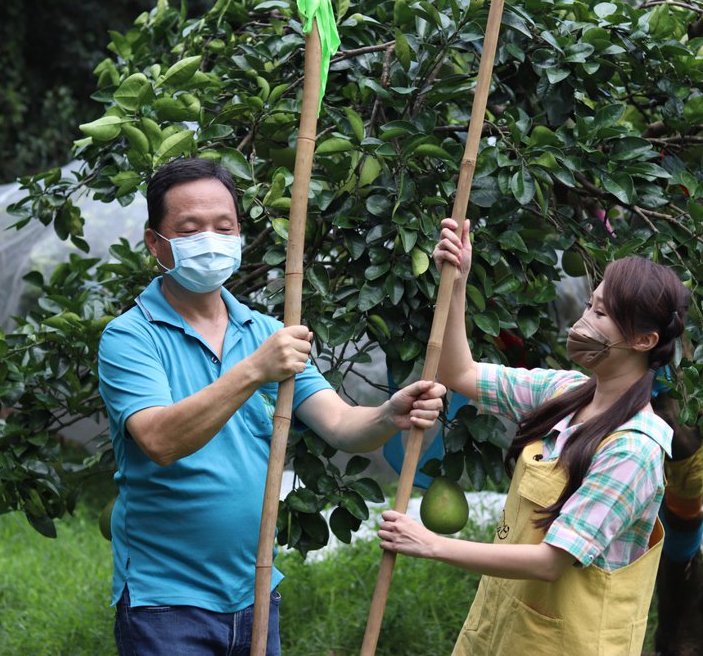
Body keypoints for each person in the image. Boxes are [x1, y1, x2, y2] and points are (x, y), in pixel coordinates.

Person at [97, 158, 446, 656]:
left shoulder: (264, 334)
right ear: (157, 244)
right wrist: (254, 371)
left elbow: (342, 425)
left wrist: (389, 413)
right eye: (190, 228)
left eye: (224, 226)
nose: (211, 239)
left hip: (255, 590)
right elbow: (159, 440)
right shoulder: (130, 337)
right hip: (165, 602)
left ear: (240, 235)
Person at [377, 218, 691, 655]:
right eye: (589, 305)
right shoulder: (563, 393)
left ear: (644, 340)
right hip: (504, 627)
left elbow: (549, 562)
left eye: (600, 314)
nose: (584, 321)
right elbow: (460, 373)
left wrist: (431, 545)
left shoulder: (633, 449)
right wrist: (458, 282)